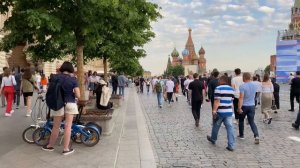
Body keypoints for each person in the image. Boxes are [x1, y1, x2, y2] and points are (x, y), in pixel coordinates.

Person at [42, 61, 80, 155]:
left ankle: (50, 146)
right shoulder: (73, 79)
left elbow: (49, 90)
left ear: (62, 68)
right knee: (68, 127)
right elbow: (78, 95)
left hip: (58, 104)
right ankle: (66, 149)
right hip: (70, 103)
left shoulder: (56, 78)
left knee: (56, 126)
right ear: (71, 69)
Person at [207, 75, 235, 151]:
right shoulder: (232, 89)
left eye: (219, 80)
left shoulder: (218, 88)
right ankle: (231, 145)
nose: (218, 81)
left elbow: (217, 101)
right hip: (228, 111)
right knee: (230, 128)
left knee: (216, 126)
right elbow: (231, 100)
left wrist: (214, 111)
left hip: (220, 111)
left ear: (222, 80)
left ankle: (213, 139)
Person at [238, 72, 260, 144]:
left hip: (244, 106)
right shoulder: (254, 85)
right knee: (251, 121)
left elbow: (241, 98)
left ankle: (241, 135)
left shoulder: (242, 86)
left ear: (244, 78)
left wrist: (239, 107)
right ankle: (256, 135)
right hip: (252, 106)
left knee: (241, 120)